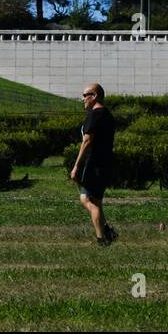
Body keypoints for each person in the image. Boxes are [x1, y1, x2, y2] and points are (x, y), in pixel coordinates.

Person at [70, 83, 117, 246]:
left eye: (86, 95)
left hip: (95, 164)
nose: (83, 98)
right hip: (105, 163)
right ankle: (107, 232)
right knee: (96, 200)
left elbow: (87, 140)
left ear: (95, 96)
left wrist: (76, 166)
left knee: (86, 199)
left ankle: (101, 238)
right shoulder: (107, 115)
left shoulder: (95, 114)